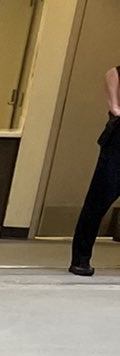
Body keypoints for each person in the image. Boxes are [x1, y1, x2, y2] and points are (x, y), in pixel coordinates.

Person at [69, 61, 120, 277]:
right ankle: (81, 259)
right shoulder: (115, 74)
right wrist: (116, 108)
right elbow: (112, 78)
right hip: (118, 145)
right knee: (97, 202)